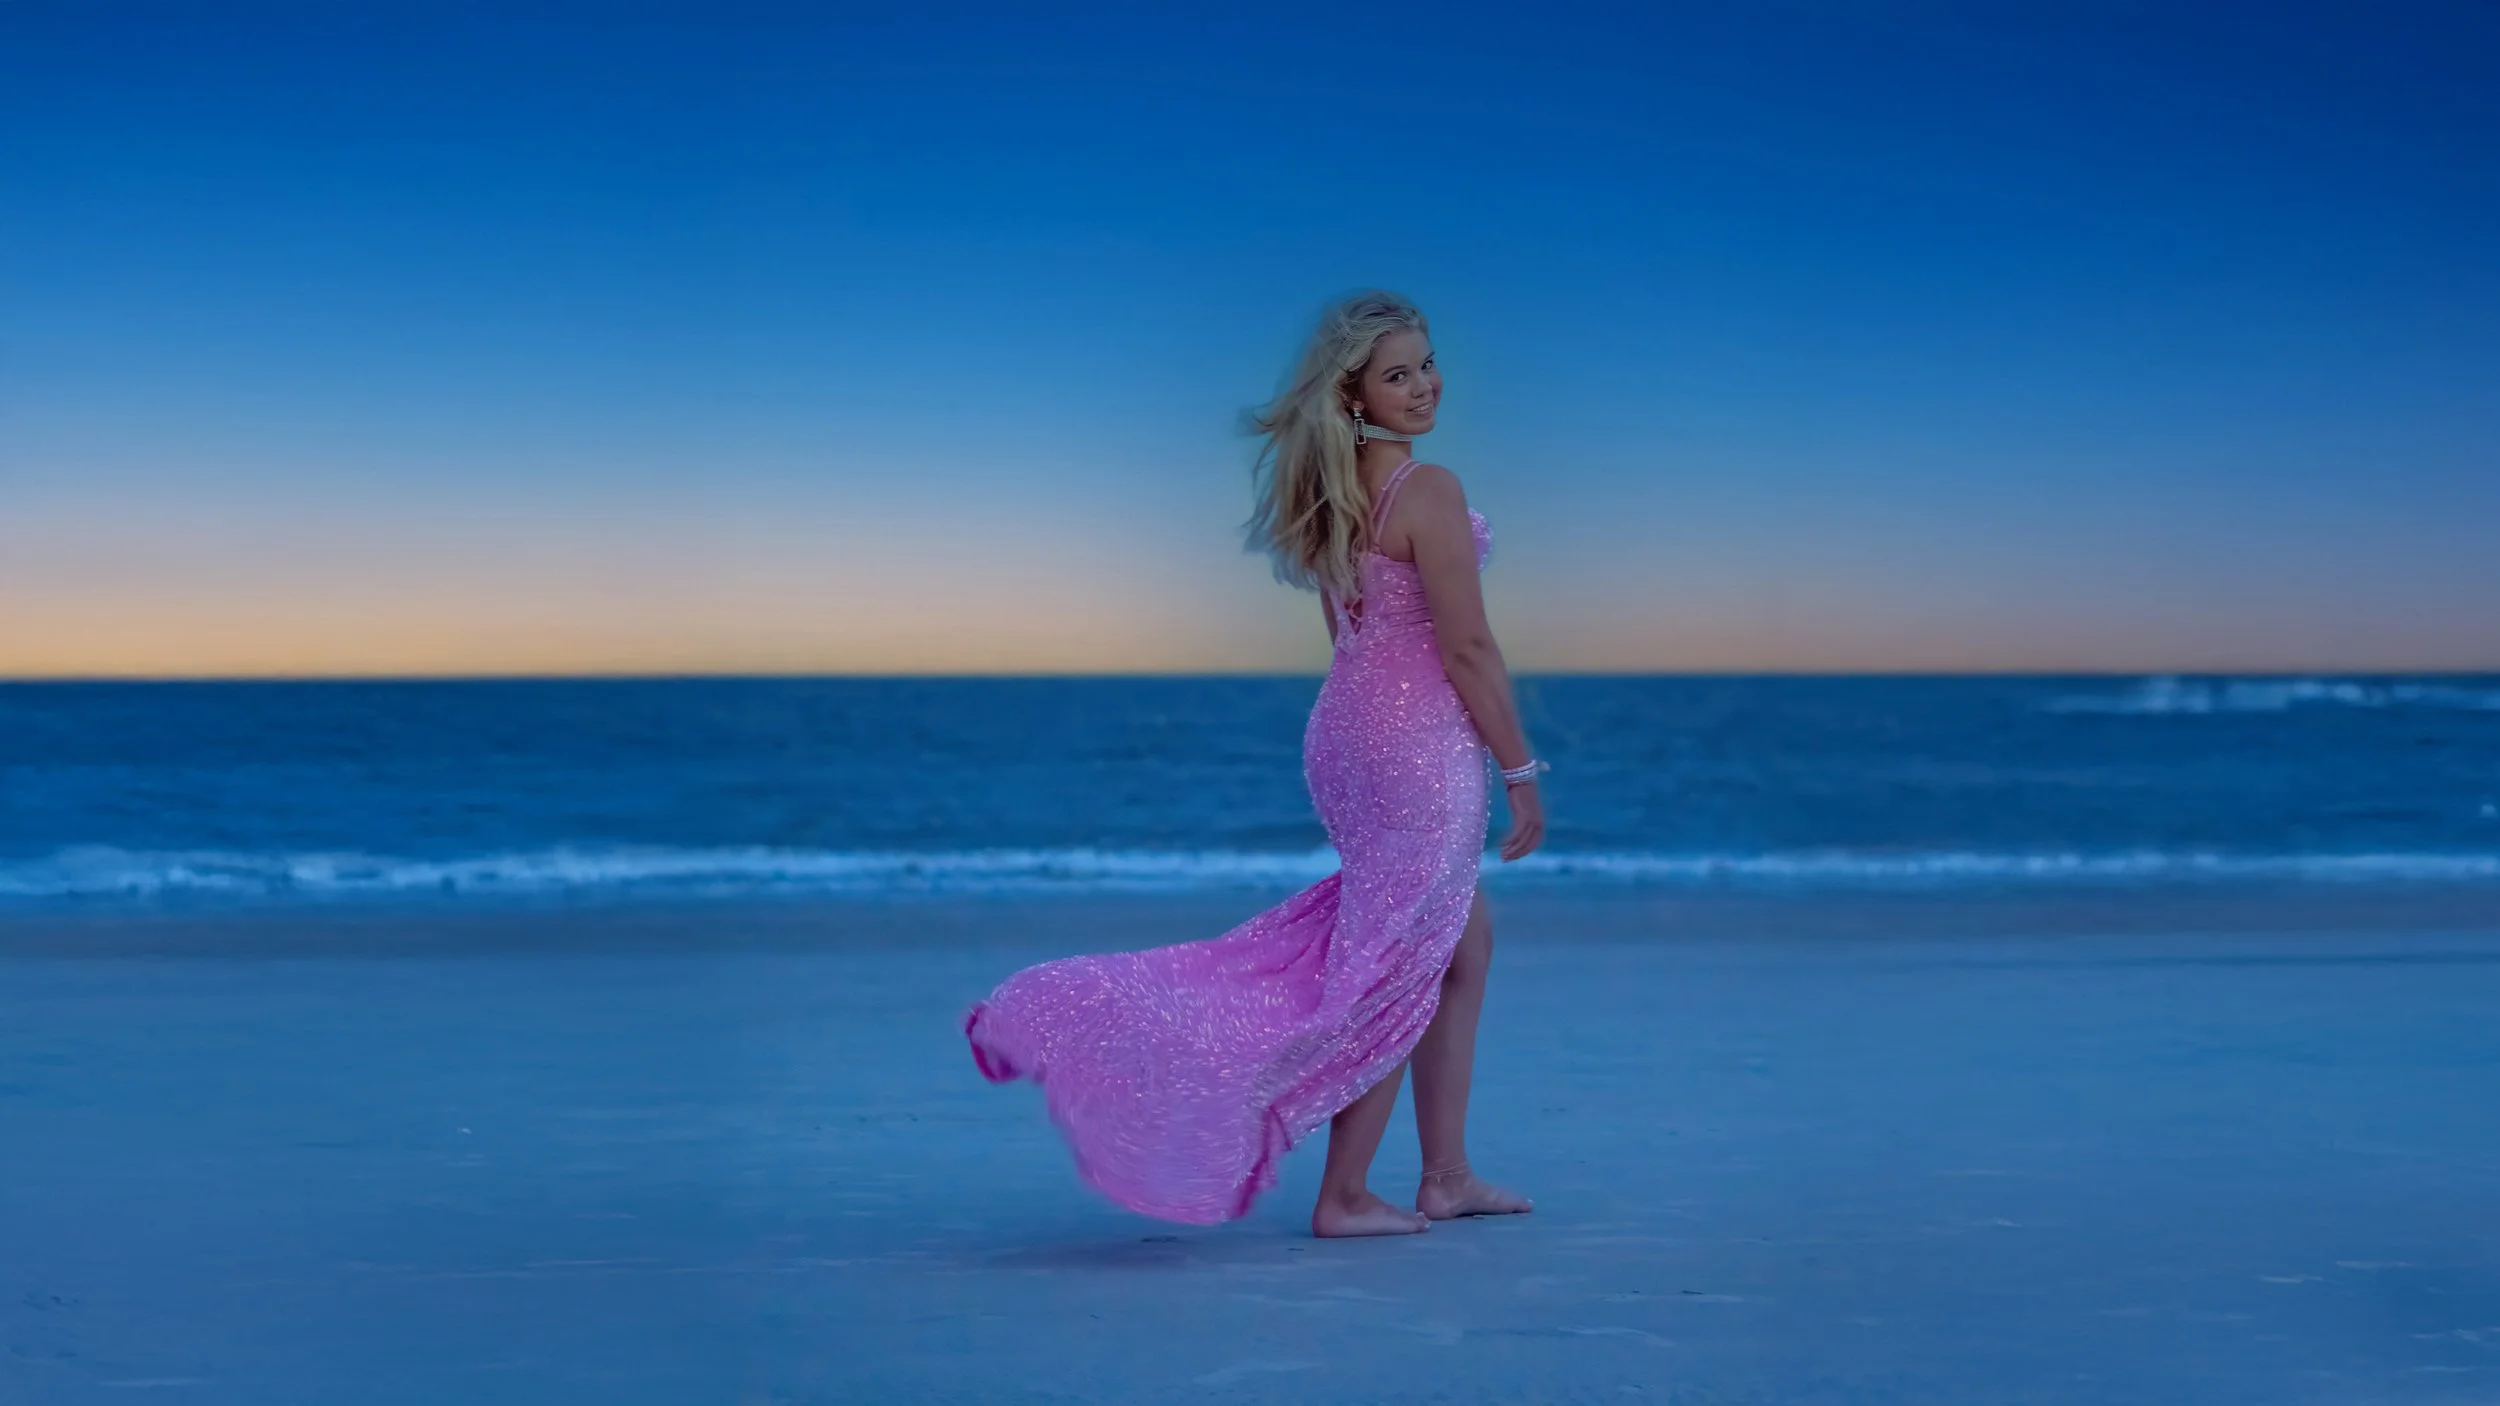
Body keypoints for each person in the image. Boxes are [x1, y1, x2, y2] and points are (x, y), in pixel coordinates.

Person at [965, 290, 1544, 1238]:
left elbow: (1352, 633)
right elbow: (1468, 647)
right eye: (1398, 375)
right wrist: (1520, 772)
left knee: (1456, 945)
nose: (1425, 386)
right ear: (1355, 394)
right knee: (1396, 963)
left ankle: (1447, 1173)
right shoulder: (1425, 488)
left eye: (1428, 364)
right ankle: (1347, 1194)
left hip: (1348, 740)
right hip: (1413, 747)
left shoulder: (1334, 493)